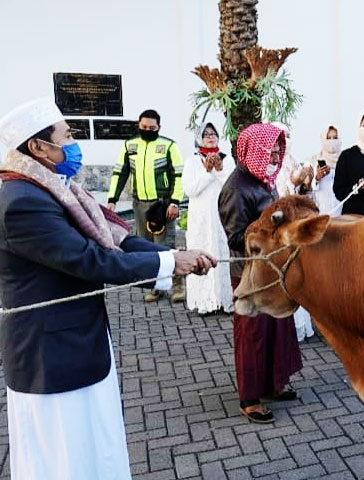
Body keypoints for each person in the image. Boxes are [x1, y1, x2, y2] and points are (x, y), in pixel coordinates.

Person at [0, 97, 216, 480]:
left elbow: (114, 241)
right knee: (64, 461)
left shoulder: (57, 188)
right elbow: (90, 260)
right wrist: (169, 263)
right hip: (51, 360)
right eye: (65, 137)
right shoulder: (22, 201)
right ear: (37, 148)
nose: (72, 145)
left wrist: (173, 255)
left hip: (76, 347)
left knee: (95, 450)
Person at [218, 123, 302, 424]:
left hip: (271, 270)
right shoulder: (236, 187)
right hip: (250, 275)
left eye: (279, 147)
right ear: (253, 148)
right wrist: (272, 224)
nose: (277, 153)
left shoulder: (263, 178)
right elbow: (236, 237)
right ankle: (250, 397)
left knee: (275, 328)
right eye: (272, 147)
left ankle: (273, 385)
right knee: (252, 334)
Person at [106, 109, 186, 303]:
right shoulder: (130, 146)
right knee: (145, 247)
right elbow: (120, 173)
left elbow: (178, 176)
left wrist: (175, 202)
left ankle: (177, 286)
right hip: (139, 204)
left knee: (165, 246)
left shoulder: (168, 146)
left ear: (159, 127)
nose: (148, 130)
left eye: (152, 128)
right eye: (144, 127)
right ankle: (157, 287)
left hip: (162, 205)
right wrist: (112, 199)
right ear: (138, 125)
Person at [182, 122, 235, 315]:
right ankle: (205, 302)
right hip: (201, 218)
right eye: (206, 134)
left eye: (214, 134)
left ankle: (226, 300)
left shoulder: (227, 160)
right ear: (199, 138)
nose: (210, 137)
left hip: (222, 215)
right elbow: (190, 189)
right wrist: (207, 171)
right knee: (203, 253)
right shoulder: (192, 161)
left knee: (223, 253)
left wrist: (218, 170)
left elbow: (230, 187)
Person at [308, 125, 342, 215]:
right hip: (322, 211)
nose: (332, 141)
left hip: (341, 212)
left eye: (335, 138)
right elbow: (309, 189)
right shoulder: (315, 160)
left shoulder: (344, 160)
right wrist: (317, 178)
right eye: (328, 138)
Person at [273, 122, 314, 197]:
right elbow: (276, 197)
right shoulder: (271, 164)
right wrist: (293, 183)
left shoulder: (293, 161)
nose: (286, 139)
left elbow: (305, 198)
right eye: (282, 136)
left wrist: (306, 185)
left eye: (288, 136)